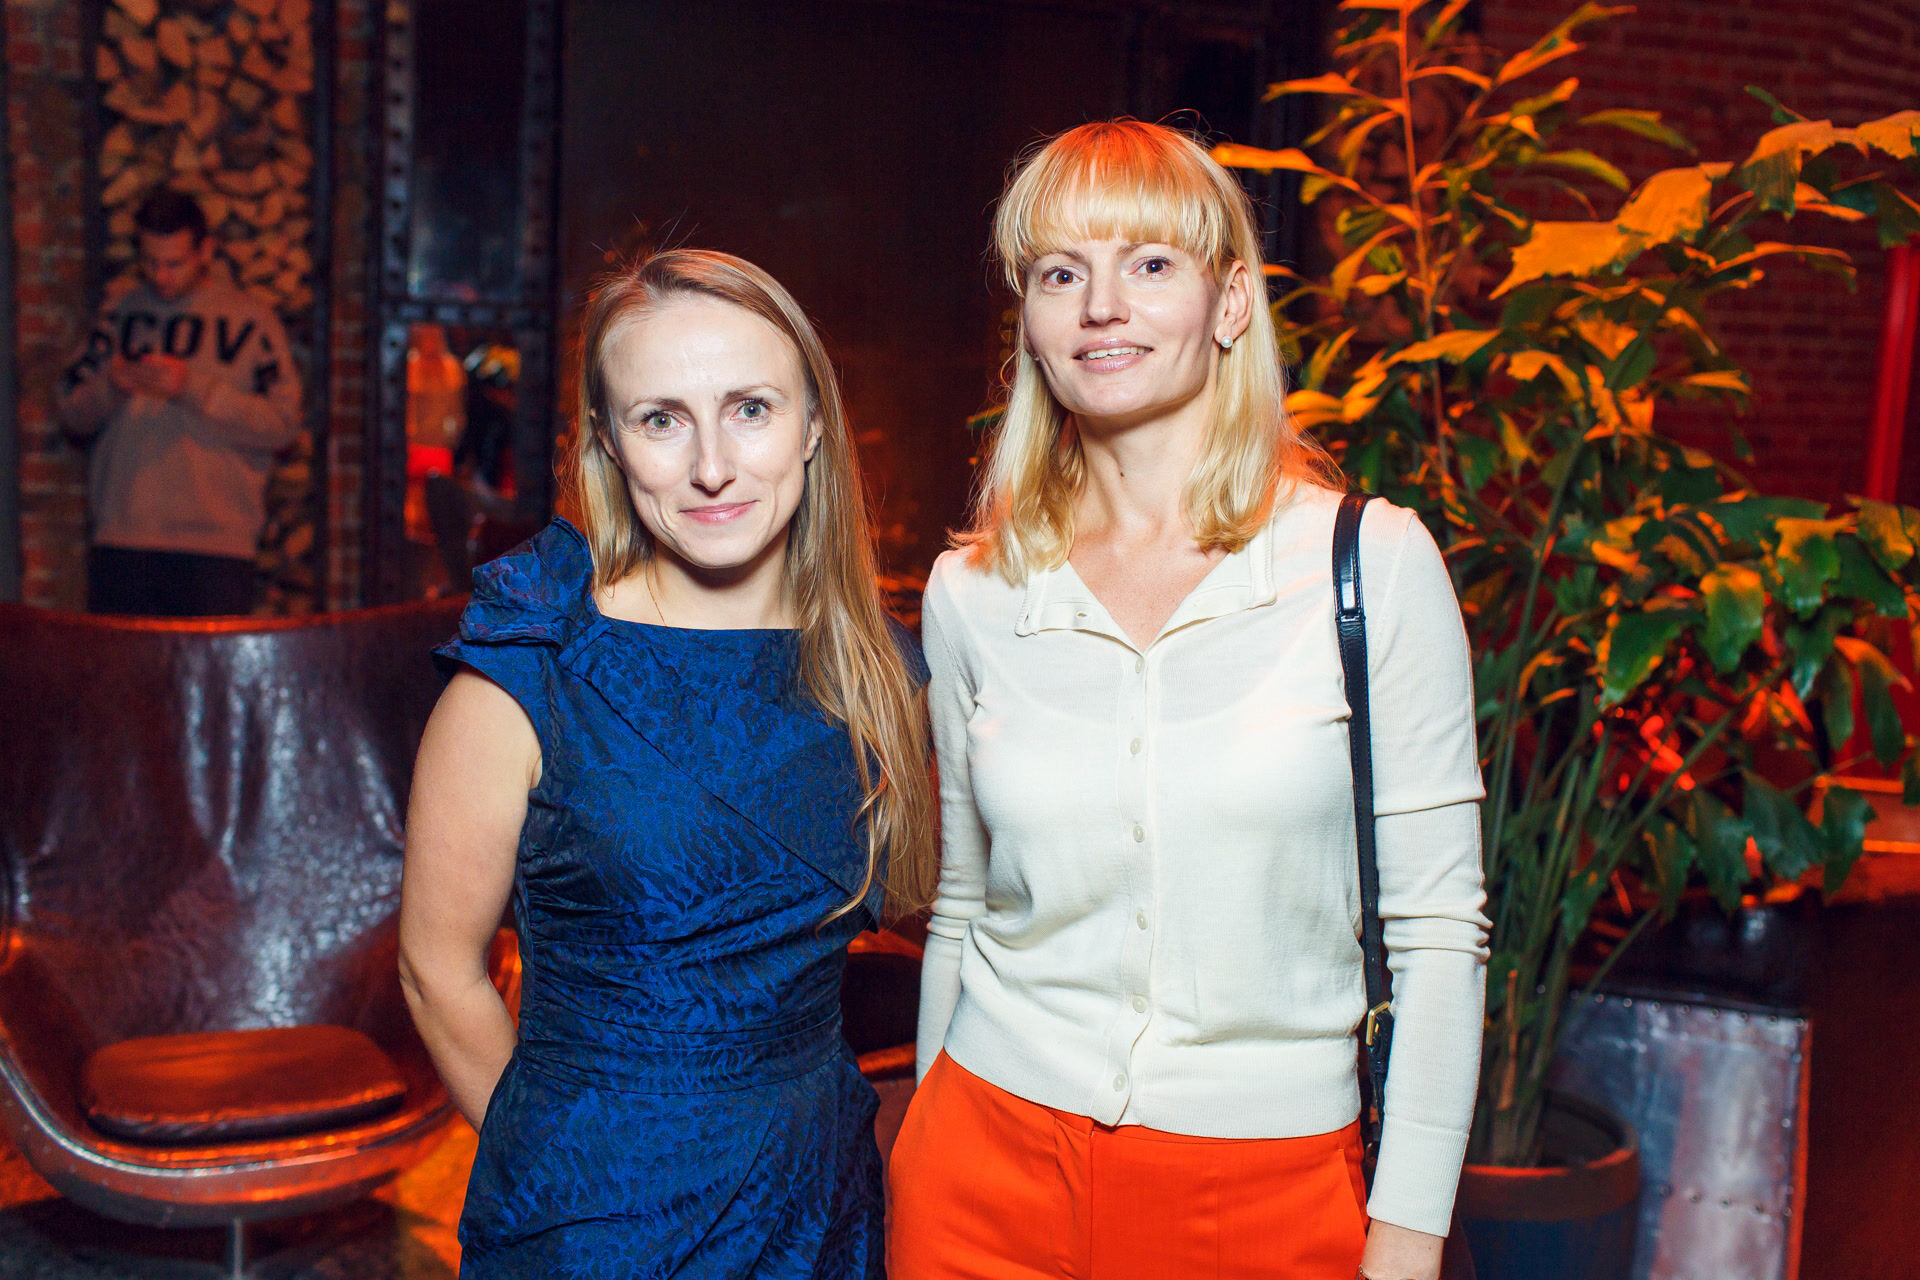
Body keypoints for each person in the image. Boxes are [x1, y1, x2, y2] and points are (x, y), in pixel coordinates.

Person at [887, 121, 1489, 1280]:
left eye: (1150, 262)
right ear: (1032, 323)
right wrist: (921, 1138)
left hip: (1267, 1189)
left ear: (1229, 302)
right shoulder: (975, 591)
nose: (1101, 306)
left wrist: (1408, 1235)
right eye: (1061, 273)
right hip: (979, 1170)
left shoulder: (1368, 566)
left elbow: (1438, 932)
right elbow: (962, 900)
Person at [397, 248, 934, 1279]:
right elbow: (437, 969)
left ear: (812, 424)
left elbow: (941, 912)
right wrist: (557, 1174)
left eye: (750, 409)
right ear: (608, 441)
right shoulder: (530, 670)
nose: (711, 465)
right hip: (592, 1217)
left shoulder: (879, 671)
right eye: (661, 419)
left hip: (816, 1201)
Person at [55, 189, 301, 616]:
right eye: (150, 263)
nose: (161, 276)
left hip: (216, 550)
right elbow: (71, 413)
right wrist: (112, 387)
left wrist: (193, 389)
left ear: (205, 251)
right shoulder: (119, 314)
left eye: (174, 263)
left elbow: (283, 424)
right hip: (123, 540)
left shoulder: (251, 321)